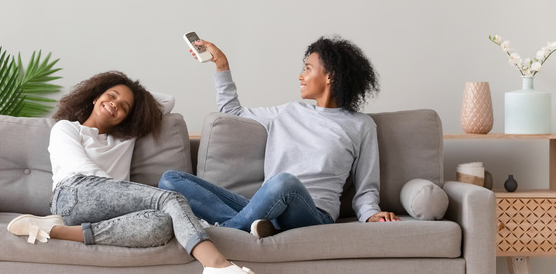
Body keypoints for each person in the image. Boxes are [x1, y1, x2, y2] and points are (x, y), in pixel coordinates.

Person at [6, 71, 254, 274]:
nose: (114, 104)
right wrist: (130, 196)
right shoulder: (67, 129)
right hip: (73, 195)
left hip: (105, 211)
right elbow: (82, 170)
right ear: (94, 97)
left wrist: (135, 100)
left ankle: (56, 231)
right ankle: (217, 265)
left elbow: (167, 101)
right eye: (110, 95)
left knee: (162, 224)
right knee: (168, 199)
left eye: (123, 107)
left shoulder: (125, 139)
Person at [159, 36, 399, 239]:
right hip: (267, 206)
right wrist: (221, 64)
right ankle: (253, 226)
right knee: (171, 179)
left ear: (330, 76)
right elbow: (232, 112)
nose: (300, 76)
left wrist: (370, 214)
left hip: (313, 214)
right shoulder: (288, 112)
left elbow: (367, 185)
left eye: (307, 68)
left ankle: (229, 232)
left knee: (284, 182)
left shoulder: (361, 125)